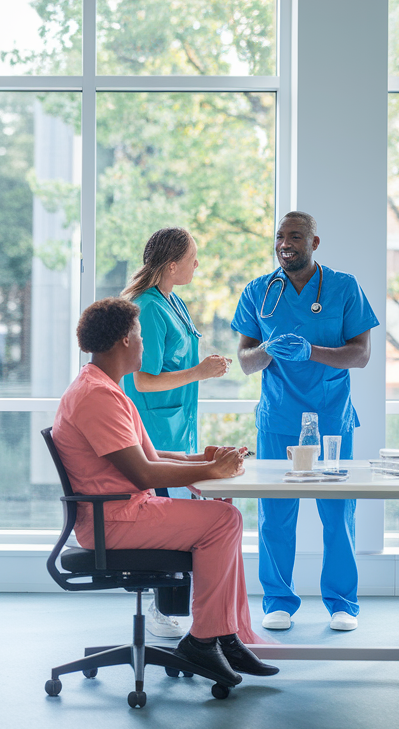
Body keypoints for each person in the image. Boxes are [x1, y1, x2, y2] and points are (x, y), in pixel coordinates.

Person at [52, 298, 276, 683]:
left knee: (224, 517)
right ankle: (206, 640)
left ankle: (224, 635)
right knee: (224, 519)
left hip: (122, 512)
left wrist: (199, 459)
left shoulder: (104, 387)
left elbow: (144, 454)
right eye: (140, 336)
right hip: (114, 519)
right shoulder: (97, 396)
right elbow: (142, 474)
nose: (143, 344)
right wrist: (210, 469)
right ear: (124, 341)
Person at [233, 211, 379, 632]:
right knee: (276, 514)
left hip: (331, 417)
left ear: (315, 243)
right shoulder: (259, 291)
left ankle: (342, 603)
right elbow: (245, 361)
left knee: (337, 514)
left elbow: (361, 354)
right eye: (280, 236)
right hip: (278, 418)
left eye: (295, 236)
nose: (285, 243)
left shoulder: (343, 287)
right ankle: (278, 600)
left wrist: (311, 351)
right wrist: (269, 351)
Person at [121, 227, 231, 639]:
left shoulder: (173, 301)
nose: (197, 264)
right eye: (193, 258)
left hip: (177, 428)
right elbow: (144, 380)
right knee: (166, 523)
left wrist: (201, 368)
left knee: (178, 520)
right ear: (172, 265)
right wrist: (199, 371)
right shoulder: (147, 307)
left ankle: (171, 604)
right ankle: (159, 606)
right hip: (154, 430)